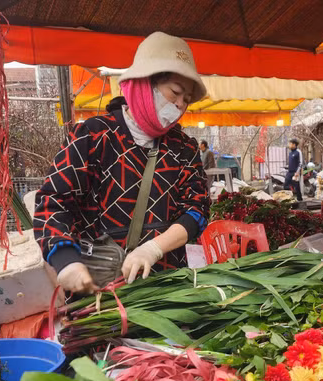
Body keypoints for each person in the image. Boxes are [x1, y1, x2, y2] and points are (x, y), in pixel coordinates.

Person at [34, 32, 210, 294]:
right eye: (175, 91)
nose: (180, 104)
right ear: (143, 82)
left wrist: (154, 248)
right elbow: (53, 202)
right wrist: (66, 262)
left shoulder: (183, 148)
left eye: (186, 99)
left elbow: (197, 210)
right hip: (98, 290)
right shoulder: (93, 136)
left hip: (165, 290)